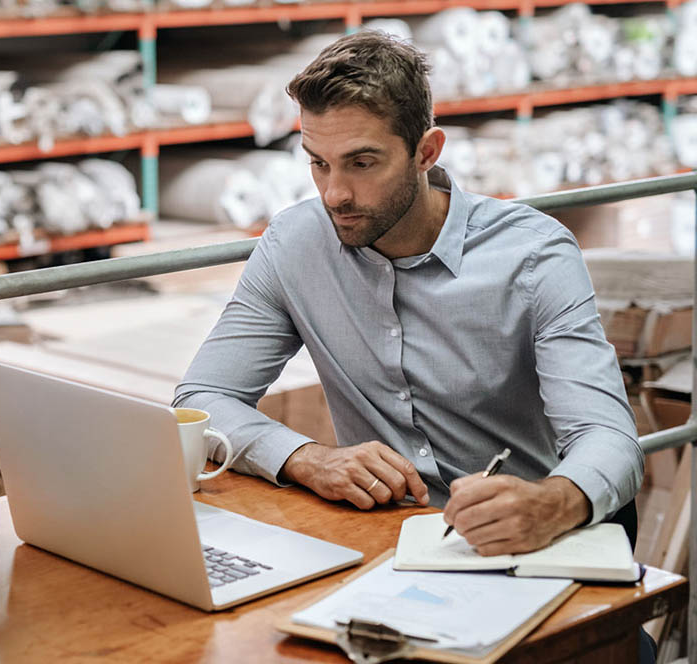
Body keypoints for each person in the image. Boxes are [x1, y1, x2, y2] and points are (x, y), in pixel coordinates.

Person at [173, 30, 643, 560]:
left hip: (523, 546)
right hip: (377, 542)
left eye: (362, 162)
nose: (334, 194)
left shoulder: (534, 255)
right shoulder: (293, 244)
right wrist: (307, 458)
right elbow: (200, 398)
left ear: (426, 151)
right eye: (318, 162)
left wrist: (553, 502)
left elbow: (609, 437)